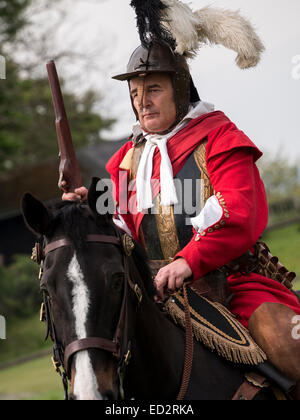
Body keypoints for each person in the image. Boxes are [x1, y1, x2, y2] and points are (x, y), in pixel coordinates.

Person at [62, 1, 300, 398]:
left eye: (154, 89)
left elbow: (237, 213)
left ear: (180, 89)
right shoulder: (123, 160)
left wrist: (188, 261)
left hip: (230, 286)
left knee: (287, 344)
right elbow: (112, 223)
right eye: (136, 92)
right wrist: (85, 203)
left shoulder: (221, 138)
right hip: (156, 299)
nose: (143, 101)